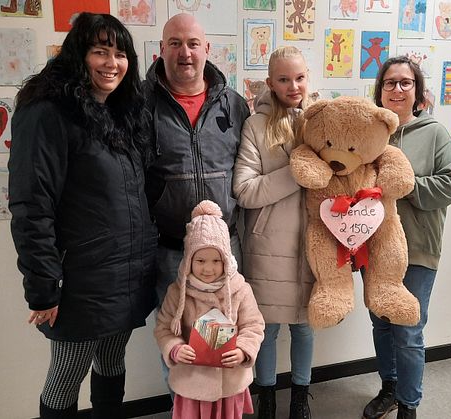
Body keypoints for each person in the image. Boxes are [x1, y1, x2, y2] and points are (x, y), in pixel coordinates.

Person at [8, 13, 157, 419]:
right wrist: (42, 287)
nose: (112, 63)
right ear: (78, 55)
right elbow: (31, 205)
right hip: (79, 279)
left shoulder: (122, 112)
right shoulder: (47, 113)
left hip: (125, 273)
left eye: (120, 53)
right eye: (100, 51)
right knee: (65, 377)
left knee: (111, 363)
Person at [143, 12, 251, 393]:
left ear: (207, 49)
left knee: (229, 339)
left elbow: (249, 166)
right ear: (161, 51)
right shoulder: (140, 105)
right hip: (170, 251)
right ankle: (183, 408)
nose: (184, 53)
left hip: (227, 249)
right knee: (179, 344)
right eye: (175, 43)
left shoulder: (234, 105)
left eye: (192, 44)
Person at [362, 56, 451, 419]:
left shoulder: (435, 133)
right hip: (373, 248)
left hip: (419, 249)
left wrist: (405, 187)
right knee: (381, 323)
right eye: (390, 82)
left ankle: (409, 404)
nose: (397, 89)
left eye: (406, 82)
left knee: (408, 330)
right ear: (380, 91)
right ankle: (389, 387)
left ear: (417, 91)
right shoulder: (370, 133)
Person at [232, 46, 317, 419]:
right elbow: (245, 190)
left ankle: (300, 398)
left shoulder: (321, 120)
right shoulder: (256, 125)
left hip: (316, 243)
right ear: (270, 83)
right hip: (269, 246)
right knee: (266, 327)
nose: (293, 85)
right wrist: (296, 173)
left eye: (299, 77)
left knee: (305, 327)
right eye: (283, 79)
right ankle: (265, 397)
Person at [154, 200, 265, 419]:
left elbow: (254, 325)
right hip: (191, 384)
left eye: (216, 260)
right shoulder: (177, 292)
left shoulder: (240, 289)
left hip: (229, 383)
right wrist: (175, 348)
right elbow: (163, 328)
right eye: (200, 260)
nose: (208, 268)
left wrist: (243, 350)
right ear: (188, 260)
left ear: (227, 260)